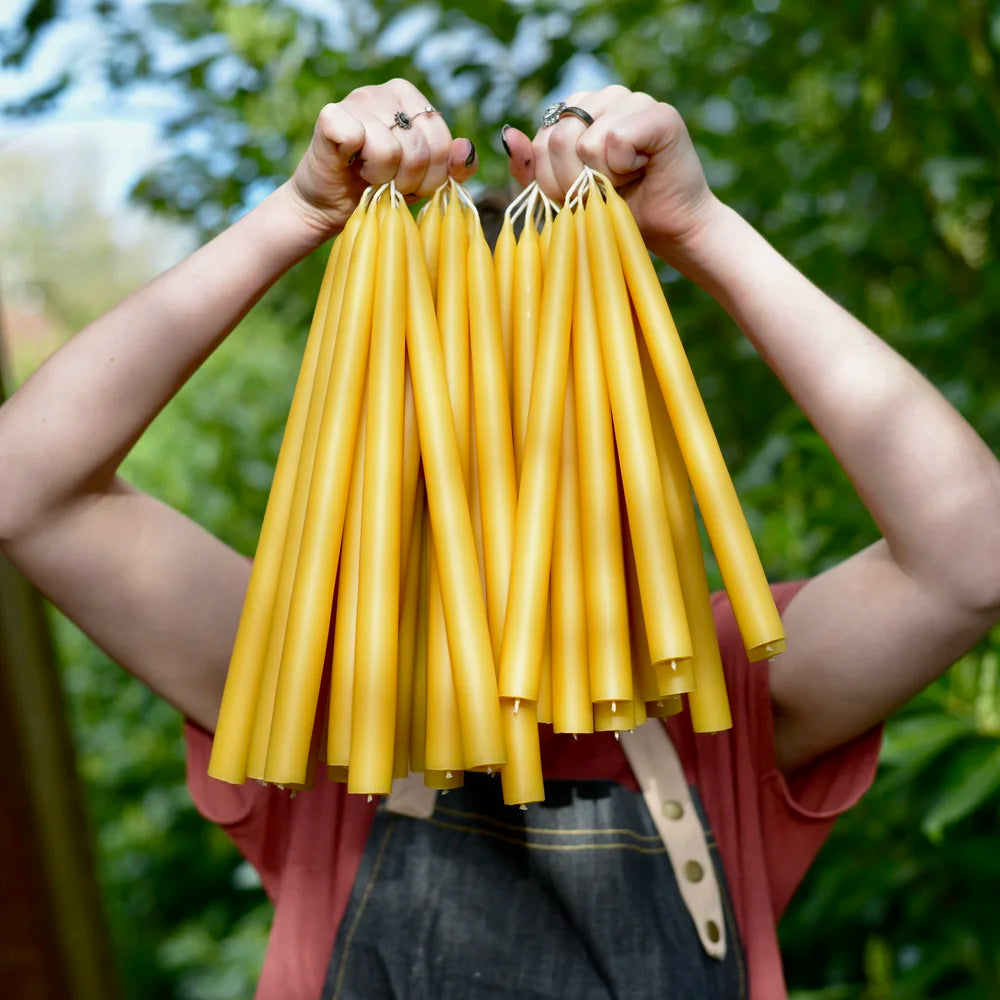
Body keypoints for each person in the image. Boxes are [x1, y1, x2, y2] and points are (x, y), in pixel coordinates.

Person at [1, 77, 999, 1000]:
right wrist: (297, 215)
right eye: (440, 419)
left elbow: (972, 550)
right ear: (384, 444)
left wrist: (698, 229)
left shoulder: (714, 692)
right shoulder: (319, 690)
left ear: (620, 420)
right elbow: (27, 486)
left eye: (543, 405)